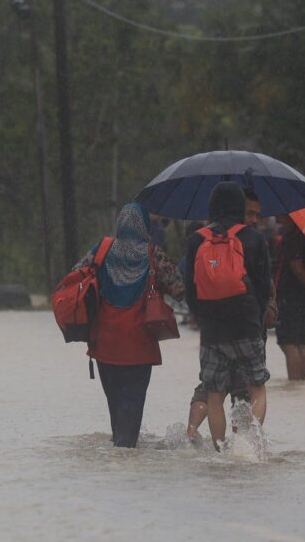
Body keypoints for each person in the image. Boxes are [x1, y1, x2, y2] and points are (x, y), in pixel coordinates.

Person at [78, 203, 183, 448]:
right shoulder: (152, 253)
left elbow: (78, 277)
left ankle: (117, 457)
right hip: (139, 343)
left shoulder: (101, 250)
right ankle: (127, 461)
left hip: (104, 342)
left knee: (115, 405)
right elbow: (180, 288)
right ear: (144, 225)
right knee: (133, 404)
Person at [183, 182, 273, 451]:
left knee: (214, 394)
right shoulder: (255, 239)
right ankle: (249, 444)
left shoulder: (196, 240)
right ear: (240, 207)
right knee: (257, 387)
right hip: (247, 324)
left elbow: (190, 289)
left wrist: (202, 317)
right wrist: (254, 317)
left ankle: (220, 450)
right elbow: (264, 286)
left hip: (212, 329)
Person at [276, 217, 305, 380]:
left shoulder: (292, 236)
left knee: (288, 343)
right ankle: (302, 385)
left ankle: (294, 384)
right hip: (300, 295)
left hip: (289, 294)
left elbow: (296, 266)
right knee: (300, 342)